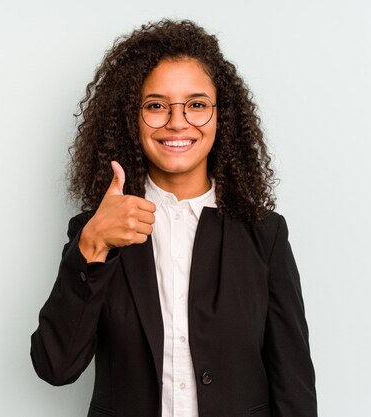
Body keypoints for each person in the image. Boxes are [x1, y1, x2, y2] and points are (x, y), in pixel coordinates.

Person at [30, 19, 317, 417]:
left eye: (196, 104)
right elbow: (55, 367)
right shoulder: (96, 230)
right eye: (155, 105)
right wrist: (93, 246)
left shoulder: (264, 234)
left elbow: (294, 385)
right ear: (131, 117)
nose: (177, 121)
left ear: (221, 116)